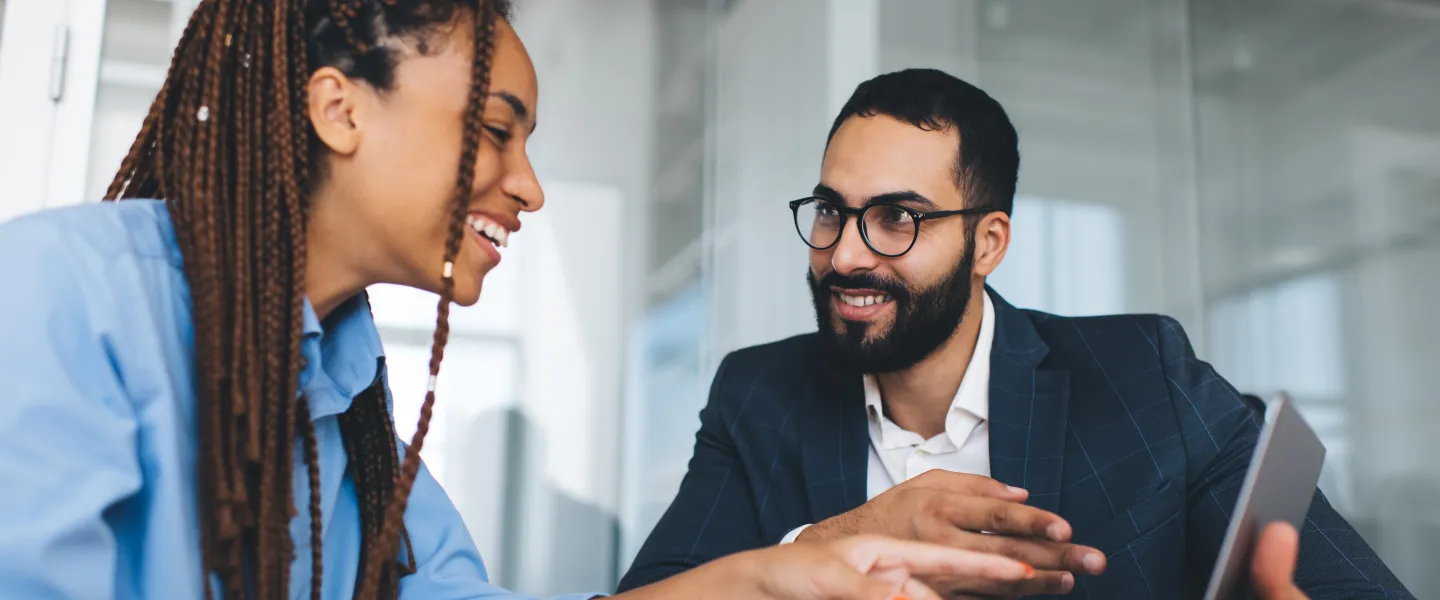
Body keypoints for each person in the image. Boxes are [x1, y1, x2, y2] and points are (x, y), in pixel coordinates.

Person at [0, 5, 1037, 599]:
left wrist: (796, 570)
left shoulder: (347, 399)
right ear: (338, 106)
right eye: (497, 130)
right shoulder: (60, 299)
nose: (529, 184)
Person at [618, 69, 1414, 599]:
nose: (846, 252)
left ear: (989, 244)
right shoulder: (758, 395)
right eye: (832, 211)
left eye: (897, 217)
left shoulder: (1148, 379)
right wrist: (842, 539)